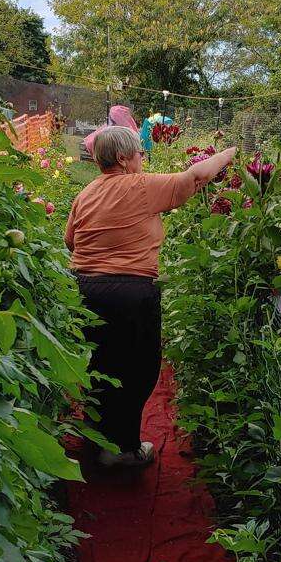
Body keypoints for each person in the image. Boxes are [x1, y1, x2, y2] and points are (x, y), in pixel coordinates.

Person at [65, 127, 236, 468]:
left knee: (102, 365)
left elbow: (71, 241)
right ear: (124, 159)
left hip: (85, 288)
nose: (144, 159)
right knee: (136, 370)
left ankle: (96, 438)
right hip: (129, 293)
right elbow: (196, 177)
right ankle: (122, 451)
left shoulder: (86, 193)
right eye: (140, 154)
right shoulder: (140, 187)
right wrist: (230, 153)